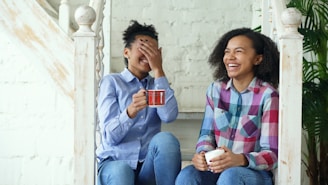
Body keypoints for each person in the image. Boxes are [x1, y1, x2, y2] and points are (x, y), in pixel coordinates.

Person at [175, 28, 279, 185]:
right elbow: (206, 135)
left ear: (258, 59)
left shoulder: (268, 95)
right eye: (227, 52)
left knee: (231, 176)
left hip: (253, 174)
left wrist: (240, 159)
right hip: (218, 170)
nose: (230, 57)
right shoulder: (215, 90)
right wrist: (202, 154)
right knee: (188, 174)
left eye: (238, 51)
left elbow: (271, 154)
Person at [96, 20, 181, 185]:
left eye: (152, 51)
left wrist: (158, 70)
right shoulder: (112, 82)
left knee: (166, 139)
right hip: (115, 164)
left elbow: (169, 115)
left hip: (146, 169)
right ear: (127, 52)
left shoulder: (157, 83)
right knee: (122, 170)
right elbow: (110, 137)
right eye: (143, 49)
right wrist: (130, 112)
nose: (148, 55)